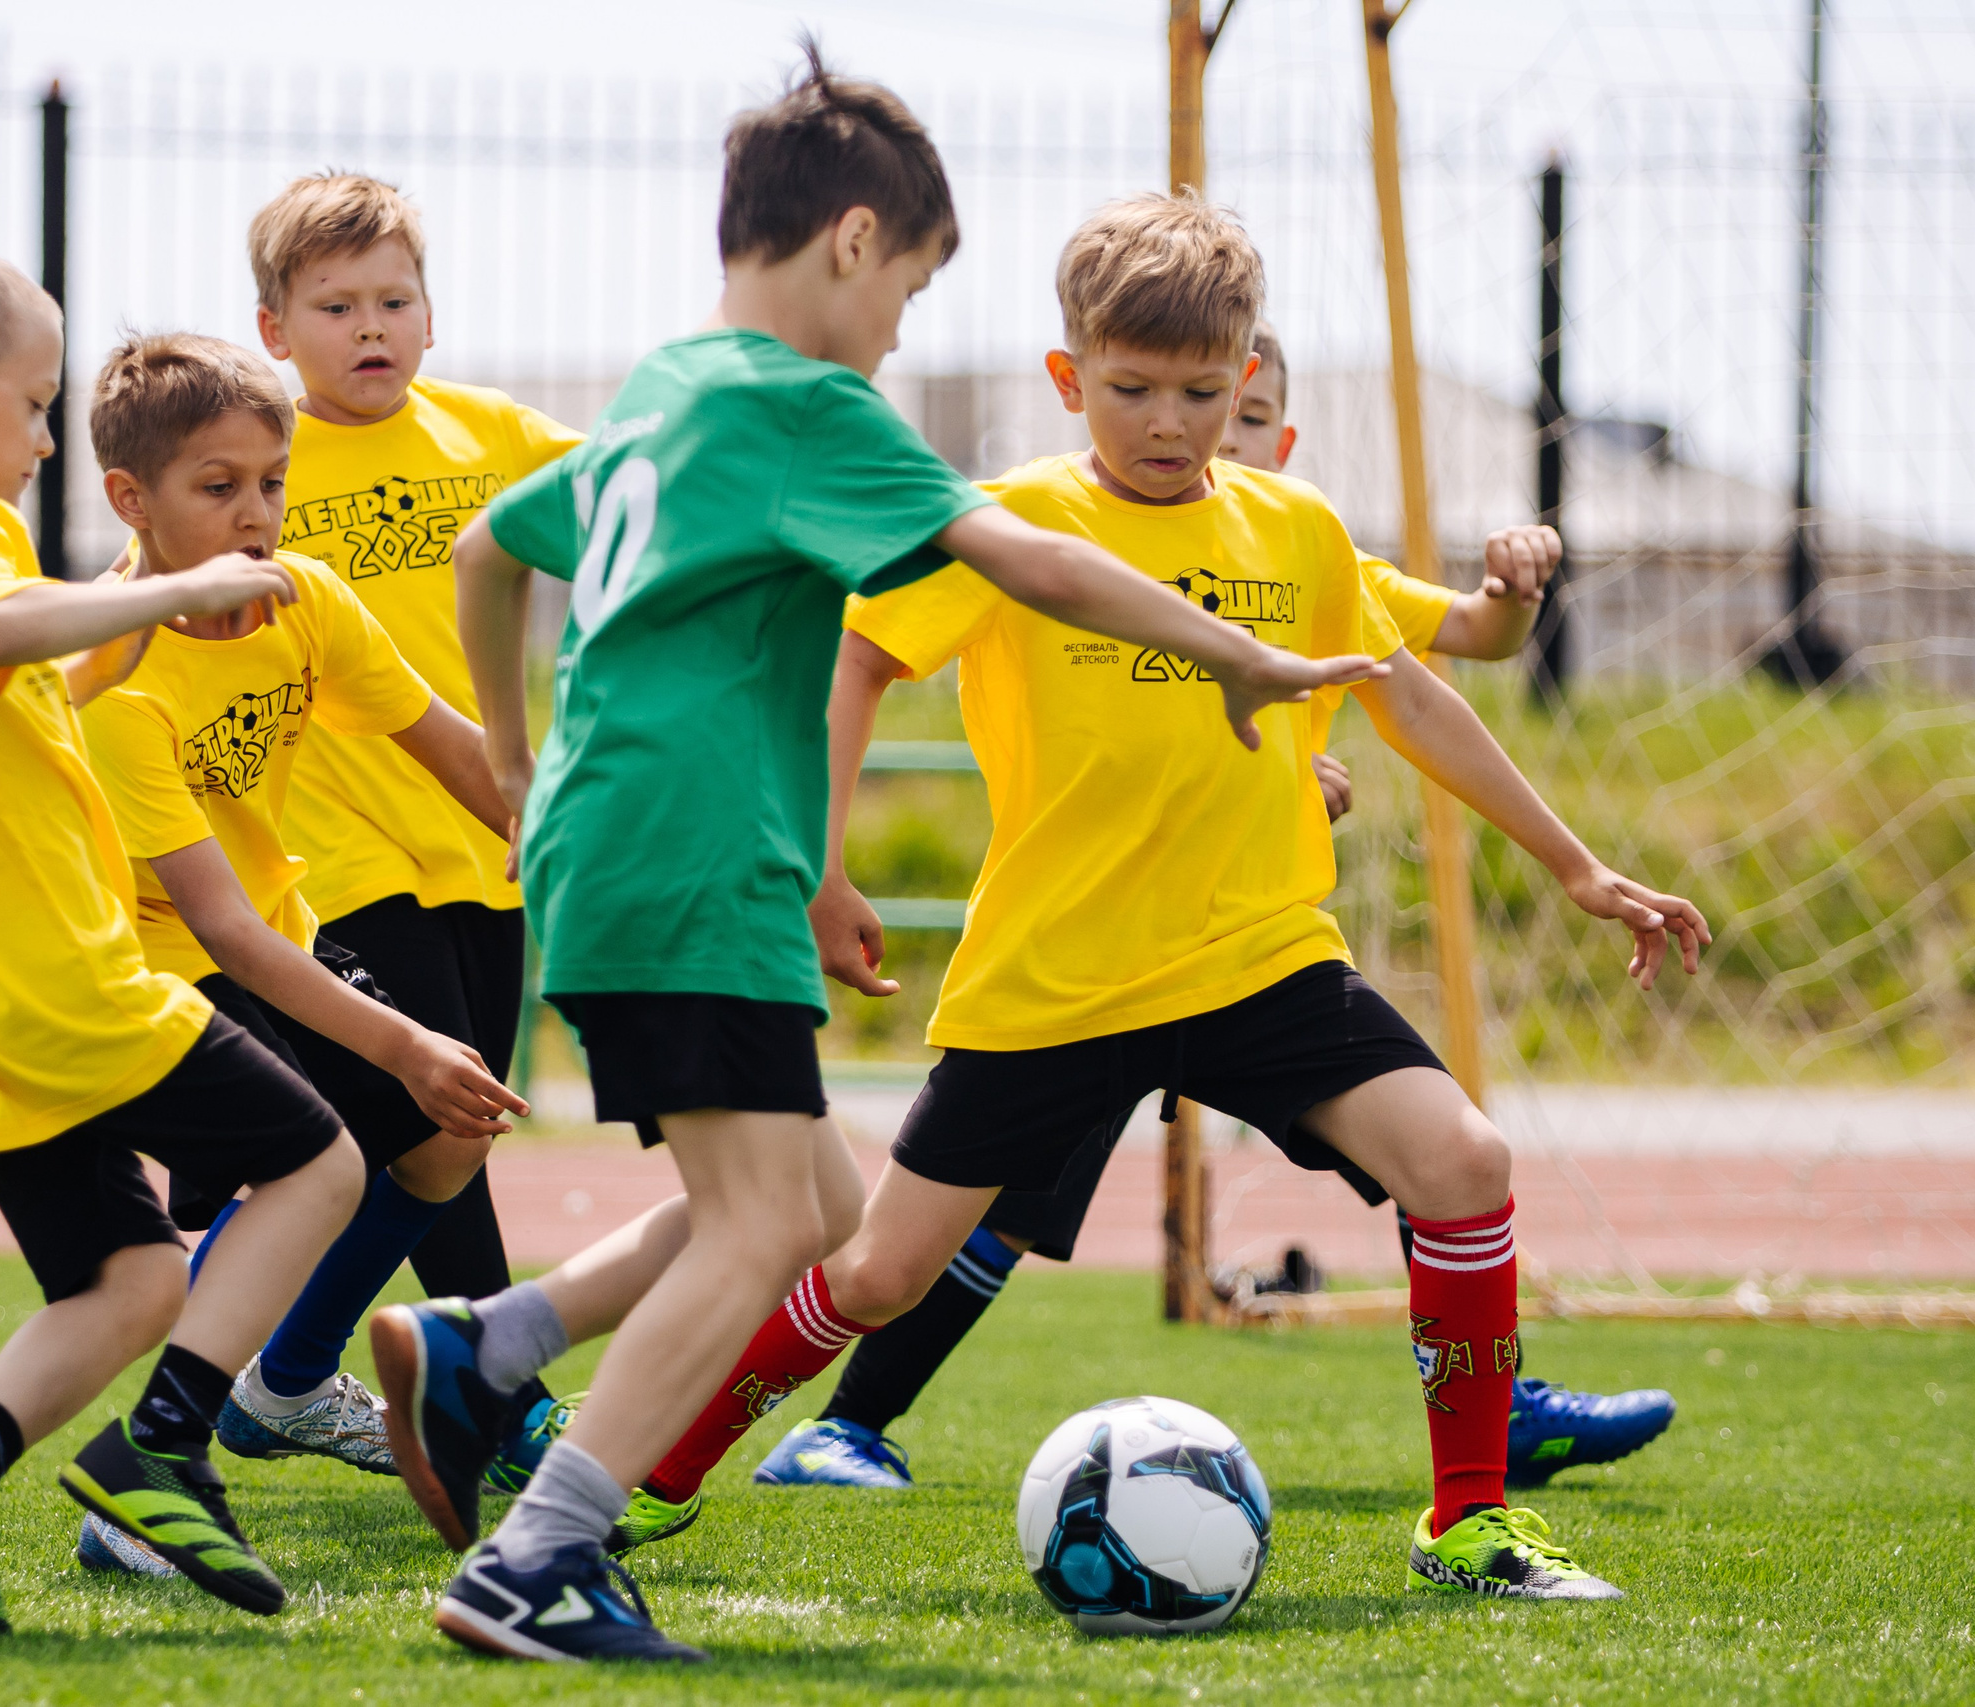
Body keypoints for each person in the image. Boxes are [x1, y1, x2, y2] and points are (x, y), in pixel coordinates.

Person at [366, 50, 1381, 1663]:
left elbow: (492, 547)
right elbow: (1029, 555)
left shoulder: (669, 391)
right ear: (853, 242)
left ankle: (494, 1341)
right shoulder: (804, 407)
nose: (901, 330)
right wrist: (1236, 653)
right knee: (764, 1224)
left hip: (618, 842)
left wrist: (509, 750)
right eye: (908, 289)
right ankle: (539, 1552)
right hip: (695, 853)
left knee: (819, 1203)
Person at [622, 192, 1708, 1603]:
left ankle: (1470, 1519)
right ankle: (645, 1478)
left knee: (1464, 1163)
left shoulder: (1295, 528)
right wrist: (821, 869)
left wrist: (1576, 865)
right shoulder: (1012, 521)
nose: (1169, 421)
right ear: (1070, 376)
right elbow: (856, 659)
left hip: (1259, 956)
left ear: (1245, 376)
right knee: (878, 1274)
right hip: (1059, 977)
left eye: (1203, 392)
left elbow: (1414, 695)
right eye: (1131, 388)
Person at [0, 235, 368, 1634]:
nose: (45, 439)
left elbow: (0, 683)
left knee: (126, 1280)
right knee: (321, 1161)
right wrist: (176, 592)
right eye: (33, 403)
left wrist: (120, 631)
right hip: (60, 975)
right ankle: (164, 1447)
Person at [49, 333, 529, 1576]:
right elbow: (218, 931)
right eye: (218, 487)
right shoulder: (115, 682)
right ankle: (149, 1461)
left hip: (274, 936)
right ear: (129, 500)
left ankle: (287, 1384)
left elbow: (453, 747)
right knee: (320, 1157)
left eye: (271, 482)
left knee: (448, 1136)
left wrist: (576, 846)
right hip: (149, 972)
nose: (256, 513)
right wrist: (404, 1043)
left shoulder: (303, 599)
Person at [250, 170, 584, 1470]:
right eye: (335, 306)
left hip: (485, 840)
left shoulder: (492, 435)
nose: (371, 326)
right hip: (330, 852)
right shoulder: (256, 457)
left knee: (448, 1133)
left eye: (394, 299)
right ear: (275, 329)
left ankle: (288, 1372)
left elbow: (637, 510)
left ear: (431, 316)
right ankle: (502, 1394)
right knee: (450, 1116)